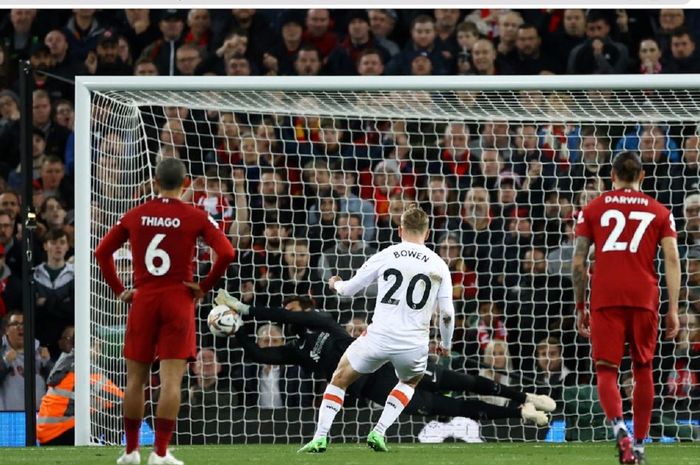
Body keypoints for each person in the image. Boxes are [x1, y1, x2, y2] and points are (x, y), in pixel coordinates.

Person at [295, 204, 504, 453]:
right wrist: (446, 344)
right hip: (413, 343)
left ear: (399, 230)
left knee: (339, 379)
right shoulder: (439, 265)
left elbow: (350, 289)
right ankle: (379, 432)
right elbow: (448, 314)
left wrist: (336, 284)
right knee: (409, 382)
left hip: (378, 336)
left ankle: (320, 437)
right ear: (427, 234)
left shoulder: (387, 254)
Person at [216, 292, 553, 439]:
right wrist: (238, 330)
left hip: (398, 364)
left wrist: (247, 310)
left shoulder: (323, 322)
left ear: (306, 308)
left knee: (465, 380)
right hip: (384, 391)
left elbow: (285, 314)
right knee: (458, 407)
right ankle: (520, 413)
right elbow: (261, 355)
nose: (290, 313)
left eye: (295, 308)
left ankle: (525, 395)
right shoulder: (297, 352)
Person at [94, 158, 235, 465]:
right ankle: (159, 453)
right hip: (178, 298)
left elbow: (102, 252)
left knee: (135, 380)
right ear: (184, 184)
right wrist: (204, 286)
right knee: (171, 382)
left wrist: (120, 290)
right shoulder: (194, 215)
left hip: (143, 298)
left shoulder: (136, 214)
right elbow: (227, 252)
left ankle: (131, 451)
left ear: (155, 182)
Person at [572, 151, 681, 465]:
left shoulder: (592, 209)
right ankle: (642, 444)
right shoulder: (660, 211)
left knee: (607, 370)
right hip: (644, 297)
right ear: (642, 177)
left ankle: (620, 429)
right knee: (643, 369)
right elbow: (672, 259)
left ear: (612, 175)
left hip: (606, 295)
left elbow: (579, 263)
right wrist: (673, 308)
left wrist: (580, 305)